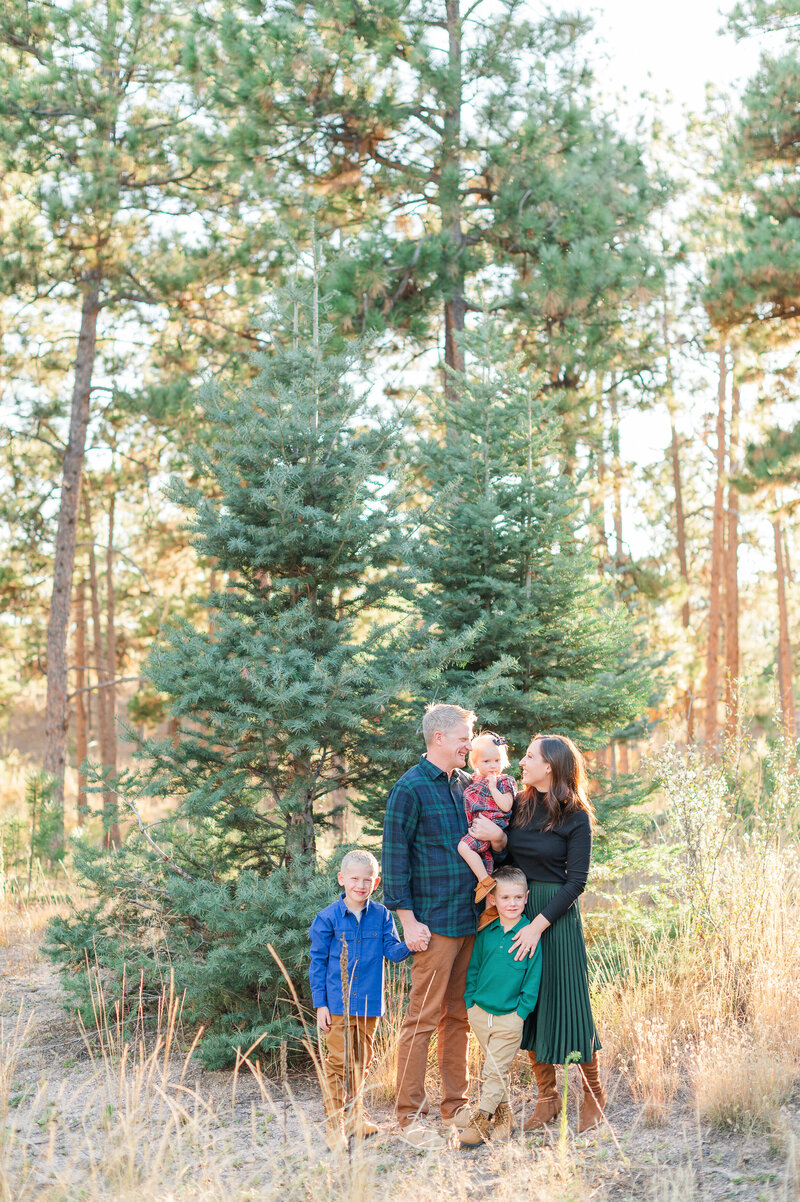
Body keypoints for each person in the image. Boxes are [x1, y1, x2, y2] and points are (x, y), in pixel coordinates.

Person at [470, 734, 607, 1133]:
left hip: (554, 919)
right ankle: (548, 1098)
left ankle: (594, 1095)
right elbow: (508, 855)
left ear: (549, 767)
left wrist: (538, 925)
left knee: (569, 1003)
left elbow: (576, 882)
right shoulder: (521, 804)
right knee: (524, 1004)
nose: (522, 763)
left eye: (529, 757)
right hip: (519, 909)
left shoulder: (575, 816)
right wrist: (497, 841)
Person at [382, 702, 478, 1150]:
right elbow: (395, 859)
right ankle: (408, 1117)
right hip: (433, 926)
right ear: (439, 737)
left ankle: (455, 1108)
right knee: (421, 1020)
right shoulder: (410, 788)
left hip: (469, 921)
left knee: (457, 1017)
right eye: (463, 737)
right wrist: (408, 921)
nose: (468, 745)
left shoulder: (465, 785)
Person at [309, 848, 411, 1150]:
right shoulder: (327, 918)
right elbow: (317, 963)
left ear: (375, 883)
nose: (361, 885)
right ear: (342, 879)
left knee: (360, 1063)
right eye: (355, 879)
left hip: (369, 1005)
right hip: (338, 1006)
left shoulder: (382, 916)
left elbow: (392, 953)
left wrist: (412, 943)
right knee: (338, 1063)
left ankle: (355, 1117)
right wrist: (321, 1005)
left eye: (367, 880)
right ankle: (334, 1126)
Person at [459, 866, 542, 1147]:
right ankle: (505, 1118)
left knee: (494, 1070)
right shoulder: (487, 932)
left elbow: (532, 978)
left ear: (526, 897)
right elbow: (474, 969)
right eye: (505, 898)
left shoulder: (529, 933)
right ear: (493, 899)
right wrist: (470, 1002)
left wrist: (521, 1013)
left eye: (518, 898)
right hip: (480, 1011)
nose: (512, 904)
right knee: (497, 1069)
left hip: (510, 1016)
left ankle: (481, 1119)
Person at [457, 732, 517, 911]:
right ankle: (486, 886)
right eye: (486, 761)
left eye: (497, 760)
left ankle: (485, 881)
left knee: (463, 847)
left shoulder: (504, 781)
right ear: (475, 763)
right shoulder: (472, 781)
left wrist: (493, 787)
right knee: (476, 854)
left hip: (495, 824)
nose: (493, 766)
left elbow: (506, 806)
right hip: (478, 828)